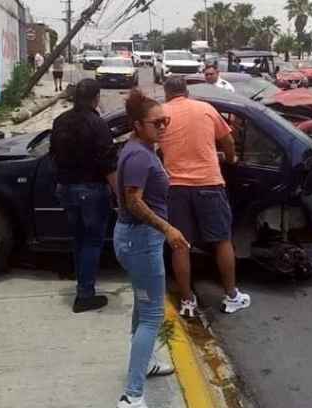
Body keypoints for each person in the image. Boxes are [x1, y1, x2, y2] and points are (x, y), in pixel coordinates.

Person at [114, 88, 189, 408]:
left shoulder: (141, 149)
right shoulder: (139, 156)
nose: (163, 127)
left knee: (142, 307)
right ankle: (132, 395)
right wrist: (167, 228)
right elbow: (133, 202)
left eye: (165, 121)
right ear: (137, 125)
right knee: (151, 315)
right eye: (156, 123)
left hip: (138, 239)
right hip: (140, 240)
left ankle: (144, 364)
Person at [158, 77, 249, 317]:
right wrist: (230, 159)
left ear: (166, 93)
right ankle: (232, 296)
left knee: (180, 245)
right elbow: (228, 141)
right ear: (186, 91)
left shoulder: (161, 114)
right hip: (209, 183)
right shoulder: (206, 109)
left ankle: (187, 301)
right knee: (221, 240)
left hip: (176, 187)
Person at [49, 79, 118, 313]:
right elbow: (108, 163)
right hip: (91, 191)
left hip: (66, 189)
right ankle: (85, 294)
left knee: (79, 240)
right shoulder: (97, 124)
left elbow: (52, 155)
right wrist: (120, 195)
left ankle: (82, 284)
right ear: (96, 98)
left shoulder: (60, 121)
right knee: (92, 242)